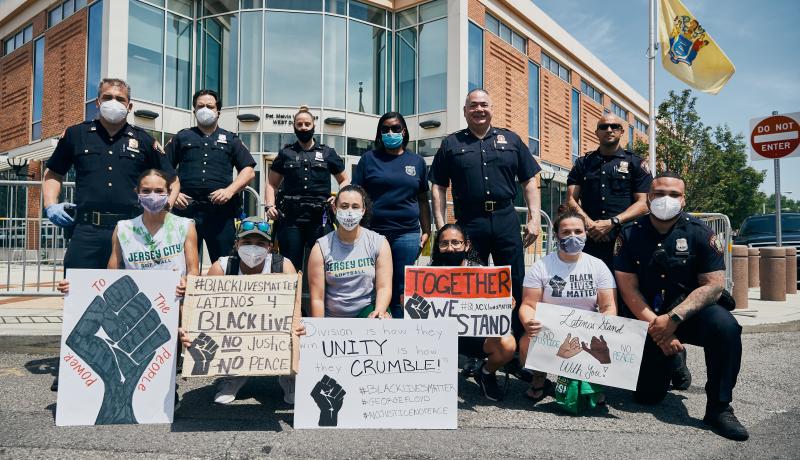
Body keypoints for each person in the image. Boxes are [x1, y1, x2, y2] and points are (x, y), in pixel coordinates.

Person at [614, 172, 748, 441]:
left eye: (674, 194)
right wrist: (660, 330)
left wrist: (673, 320)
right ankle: (675, 358)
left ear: (684, 200)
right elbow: (628, 289)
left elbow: (713, 286)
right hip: (648, 317)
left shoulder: (702, 233)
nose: (666, 199)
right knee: (647, 397)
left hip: (690, 312)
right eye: (659, 193)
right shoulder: (629, 234)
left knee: (726, 327)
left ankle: (719, 408)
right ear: (648, 198)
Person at [430, 88, 542, 339]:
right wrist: (441, 226)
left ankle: (512, 341)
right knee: (469, 282)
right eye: (473, 105)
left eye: (483, 105)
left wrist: (534, 219)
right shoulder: (451, 143)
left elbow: (529, 182)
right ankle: (475, 345)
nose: (479, 109)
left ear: (492, 108)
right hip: (469, 222)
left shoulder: (512, 140)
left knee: (513, 280)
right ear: (465, 111)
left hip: (505, 220)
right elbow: (438, 185)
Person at [43, 78, 179, 271]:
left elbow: (173, 181)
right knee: (79, 293)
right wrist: (50, 205)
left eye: (120, 99)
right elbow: (53, 173)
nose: (113, 102)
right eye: (107, 97)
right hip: (87, 231)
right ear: (98, 102)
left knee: (133, 292)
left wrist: (164, 209)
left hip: (132, 230)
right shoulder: (76, 134)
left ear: (129, 106)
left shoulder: (144, 140)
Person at [179, 216, 298, 405]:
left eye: (260, 243)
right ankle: (233, 375)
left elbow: (295, 308)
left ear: (269, 247)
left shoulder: (283, 265)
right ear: (236, 243)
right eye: (247, 241)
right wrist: (190, 335)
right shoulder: (223, 266)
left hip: (271, 328)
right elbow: (203, 310)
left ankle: (289, 376)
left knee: (298, 327)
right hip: (236, 327)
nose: (253, 247)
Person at [517, 211, 616, 405]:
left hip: (587, 330)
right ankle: (539, 377)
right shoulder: (541, 266)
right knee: (525, 341)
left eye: (578, 231)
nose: (573, 236)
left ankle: (592, 381)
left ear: (586, 234)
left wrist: (605, 326)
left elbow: (609, 306)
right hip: (551, 330)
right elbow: (528, 305)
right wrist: (529, 321)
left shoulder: (598, 266)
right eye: (566, 232)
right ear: (556, 236)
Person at [353, 112, 431, 318]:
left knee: (402, 286)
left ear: (404, 131)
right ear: (379, 133)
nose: (390, 132)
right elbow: (356, 195)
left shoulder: (417, 162)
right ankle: (374, 324)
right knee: (371, 282)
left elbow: (423, 199)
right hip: (374, 233)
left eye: (395, 128)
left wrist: (427, 230)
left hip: (407, 234)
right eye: (385, 129)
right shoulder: (368, 159)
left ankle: (399, 332)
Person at [167, 89, 256, 264]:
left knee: (225, 264)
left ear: (218, 112)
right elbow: (162, 168)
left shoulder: (231, 139)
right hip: (186, 212)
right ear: (194, 110)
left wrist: (230, 191)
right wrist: (172, 193)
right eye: (200, 106)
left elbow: (248, 170)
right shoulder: (181, 137)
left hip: (220, 215)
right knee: (181, 265)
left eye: (209, 106)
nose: (205, 109)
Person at [430, 224, 516, 402]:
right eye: (444, 243)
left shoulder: (482, 273)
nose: (450, 248)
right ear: (437, 246)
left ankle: (485, 372)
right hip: (437, 338)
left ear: (466, 245)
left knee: (507, 344)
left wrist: (505, 306)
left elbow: (493, 311)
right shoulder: (427, 275)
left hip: (473, 338)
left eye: (456, 242)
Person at [266, 105, 349, 273]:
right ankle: (293, 300)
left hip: (319, 218)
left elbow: (345, 180)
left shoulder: (327, 153)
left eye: (307, 124)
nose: (303, 127)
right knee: (289, 266)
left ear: (313, 126)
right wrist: (270, 206)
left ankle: (322, 300)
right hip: (291, 218)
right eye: (299, 124)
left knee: (323, 266)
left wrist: (339, 197)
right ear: (294, 127)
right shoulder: (286, 153)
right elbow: (271, 184)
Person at [566, 114, 651, 270]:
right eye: (604, 127)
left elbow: (644, 203)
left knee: (624, 290)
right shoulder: (582, 163)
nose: (609, 130)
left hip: (625, 239)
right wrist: (591, 225)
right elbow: (571, 200)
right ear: (597, 132)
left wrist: (612, 222)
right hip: (590, 239)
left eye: (614, 126)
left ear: (622, 131)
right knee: (590, 290)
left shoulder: (636, 163)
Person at [307, 185, 392, 319]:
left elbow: (384, 287)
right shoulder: (320, 248)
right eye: (344, 206)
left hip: (368, 317)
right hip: (334, 322)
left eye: (355, 206)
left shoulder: (379, 243)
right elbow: (317, 298)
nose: (350, 212)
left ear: (363, 210)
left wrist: (379, 310)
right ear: (335, 209)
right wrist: (320, 330)